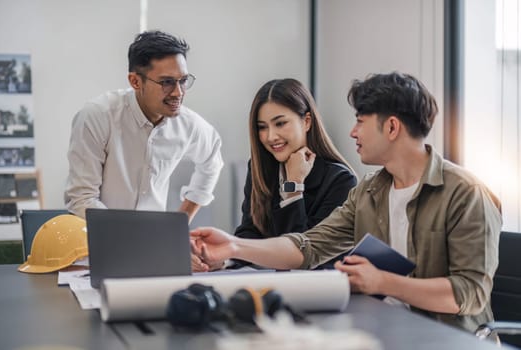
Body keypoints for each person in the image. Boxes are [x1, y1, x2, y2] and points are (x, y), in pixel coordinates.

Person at [191, 72, 502, 333]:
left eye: (361, 121)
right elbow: (307, 247)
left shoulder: (465, 193)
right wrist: (233, 247)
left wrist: (382, 282)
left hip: (443, 336)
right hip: (380, 326)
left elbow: (469, 294)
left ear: (391, 127)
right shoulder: (369, 191)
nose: (353, 132)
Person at [64, 31, 223, 221]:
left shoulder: (188, 125)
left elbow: (212, 162)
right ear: (135, 81)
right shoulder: (98, 116)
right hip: (100, 238)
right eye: (167, 82)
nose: (178, 92)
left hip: (154, 240)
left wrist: (182, 220)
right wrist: (129, 236)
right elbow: (82, 198)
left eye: (183, 81)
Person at [219, 78, 356, 270]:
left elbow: (303, 256)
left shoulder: (341, 180)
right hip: (272, 285)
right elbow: (251, 234)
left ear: (307, 121)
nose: (270, 136)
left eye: (280, 123)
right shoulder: (261, 169)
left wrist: (293, 186)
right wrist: (224, 259)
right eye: (262, 127)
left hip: (317, 291)